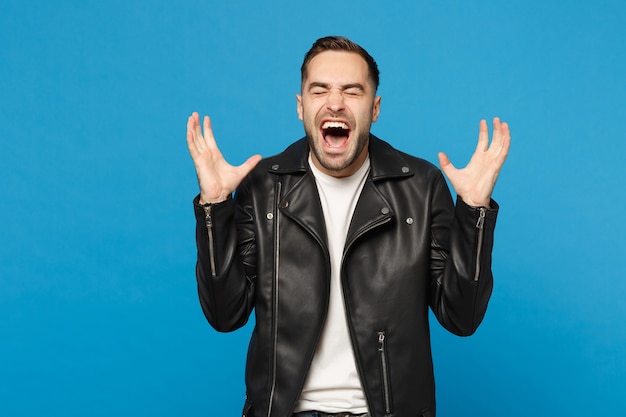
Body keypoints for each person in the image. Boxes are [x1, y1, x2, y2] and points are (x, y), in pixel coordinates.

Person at [186, 36, 510, 417]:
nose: (334, 102)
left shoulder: (421, 187)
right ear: (300, 106)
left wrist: (474, 211)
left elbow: (462, 318)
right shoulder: (262, 187)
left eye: (352, 91)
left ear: (374, 108)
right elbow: (225, 315)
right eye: (319, 89)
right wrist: (214, 208)